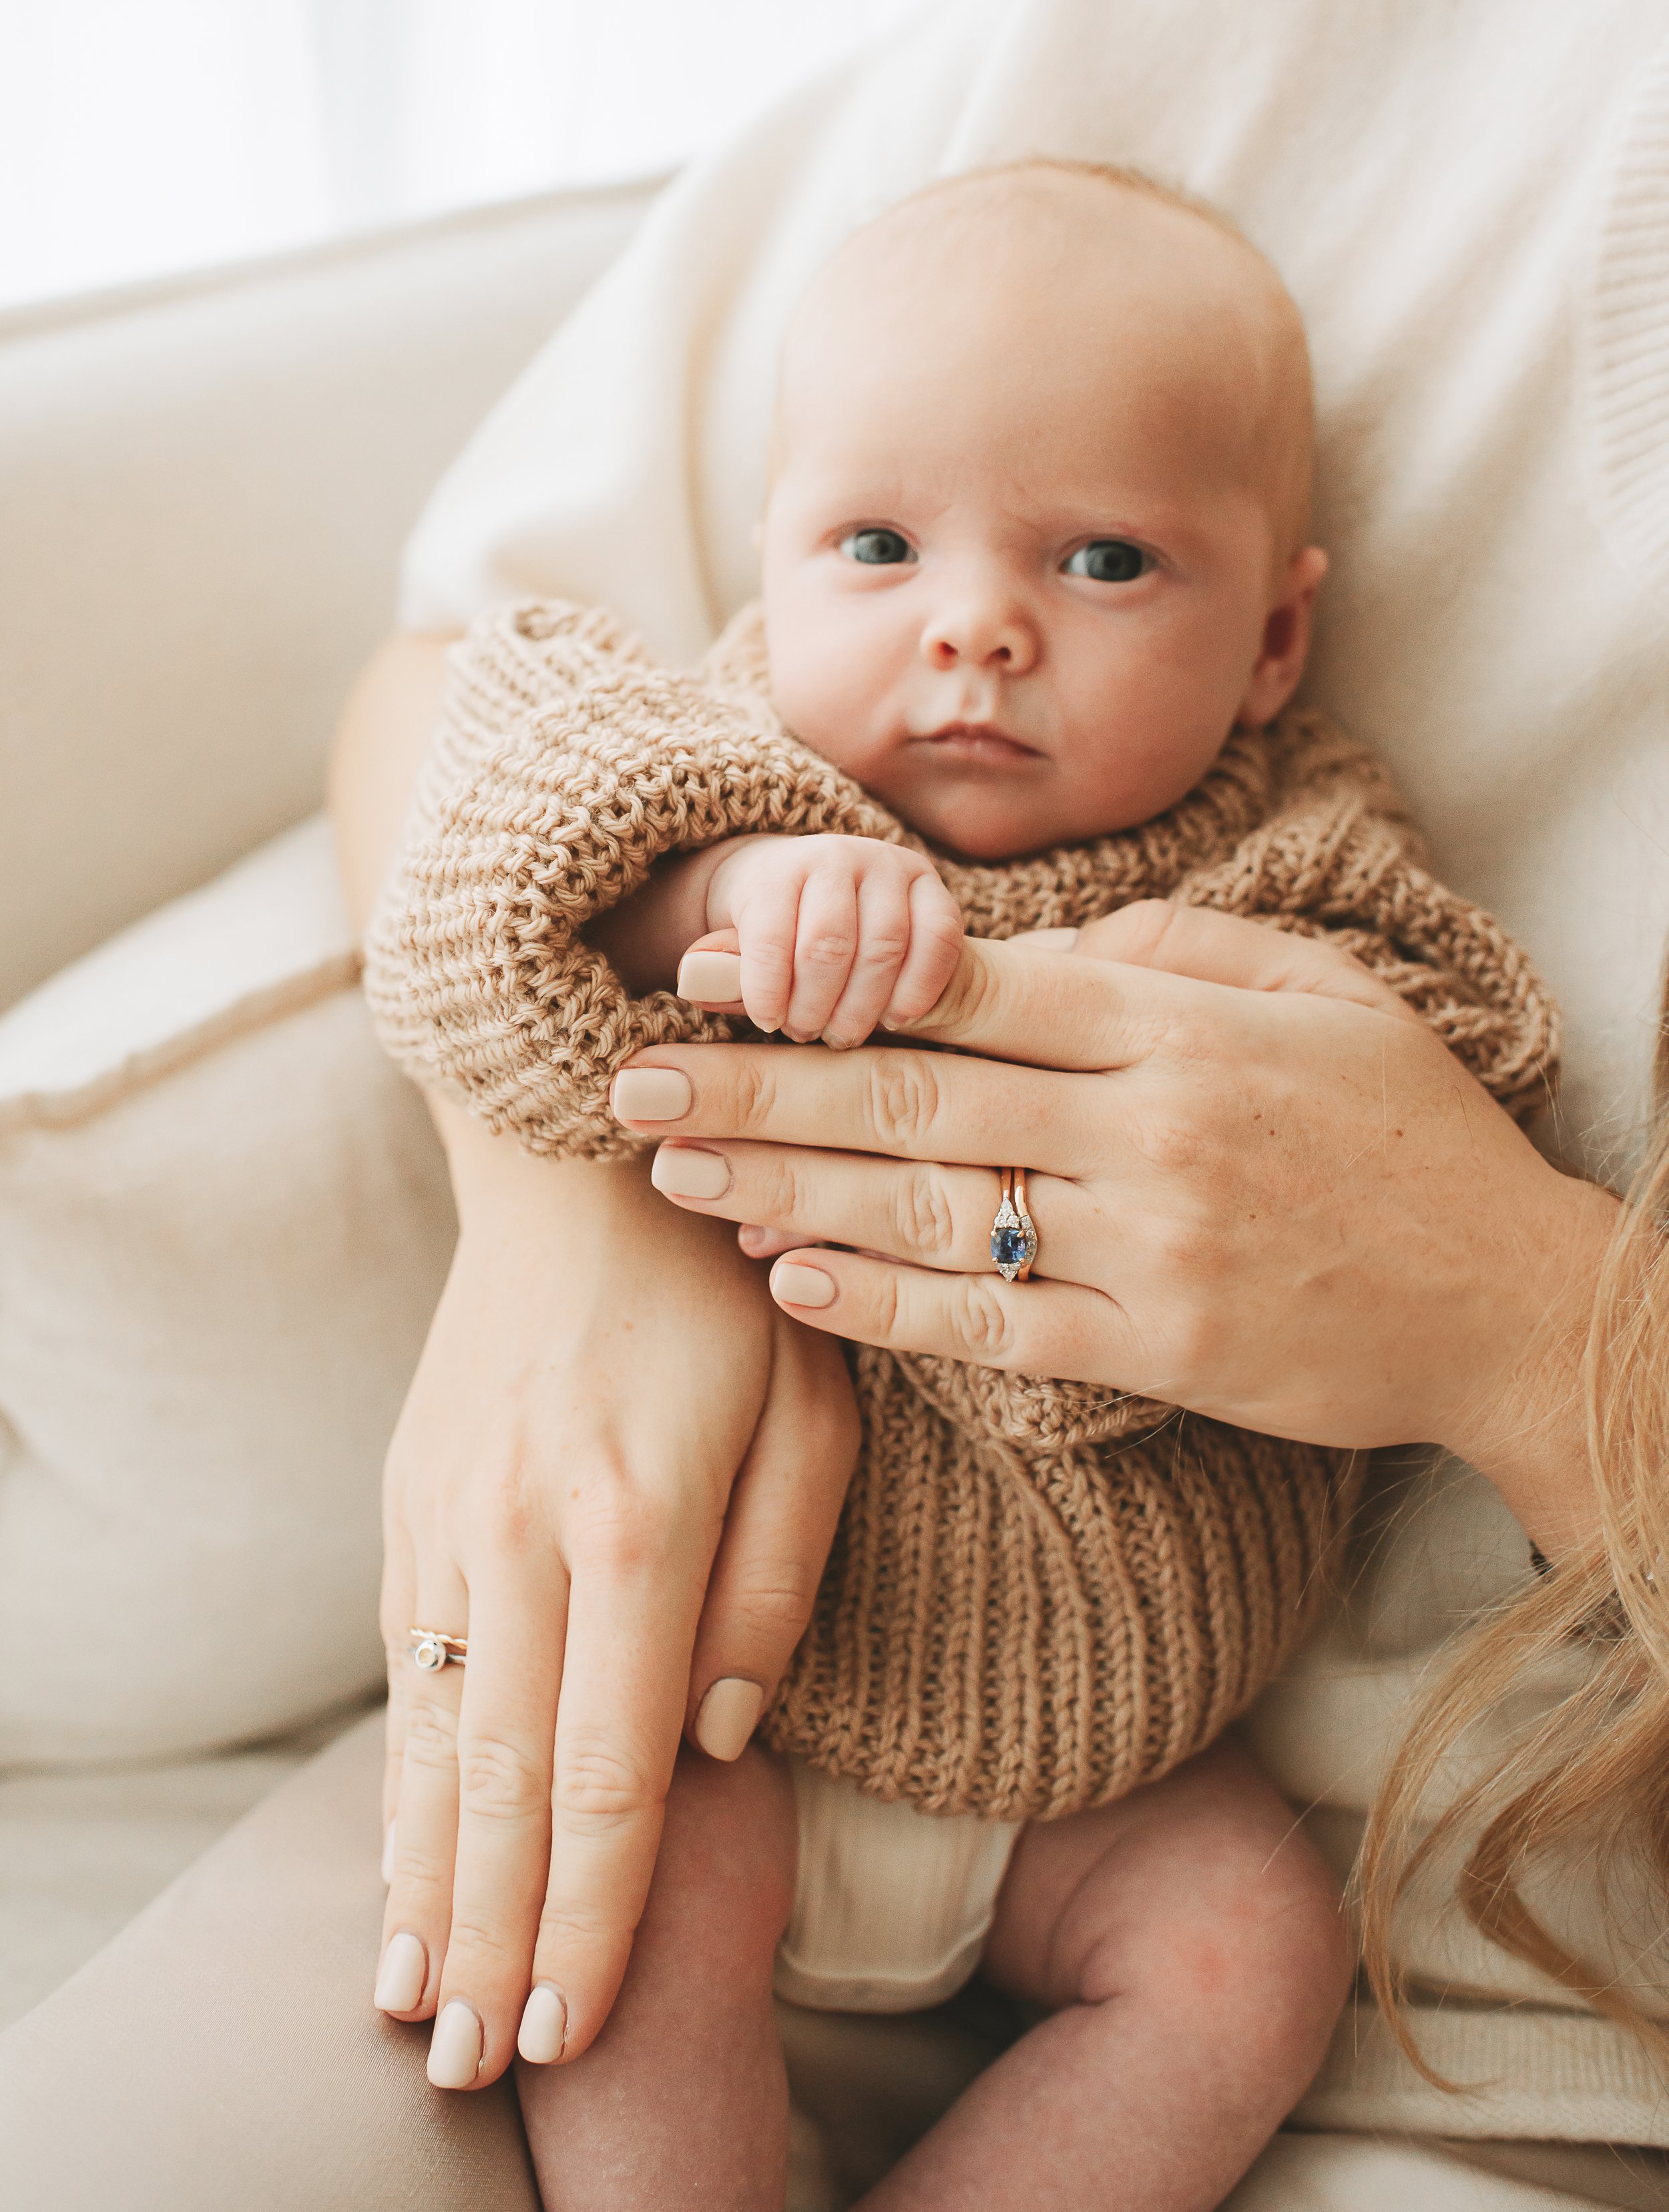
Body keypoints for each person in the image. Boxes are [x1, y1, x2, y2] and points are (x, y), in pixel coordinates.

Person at [363, 164, 1558, 2209]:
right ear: (766, 560)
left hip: (1124, 1766)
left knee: (1244, 1959)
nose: (973, 622)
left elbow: (1451, 1078)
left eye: (1102, 559)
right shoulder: (729, 769)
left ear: (1274, 635)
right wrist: (711, 893)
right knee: (616, 1919)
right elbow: (484, 873)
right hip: (739, 1708)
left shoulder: (1300, 854)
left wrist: (1190, 1053)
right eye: (877, 543)